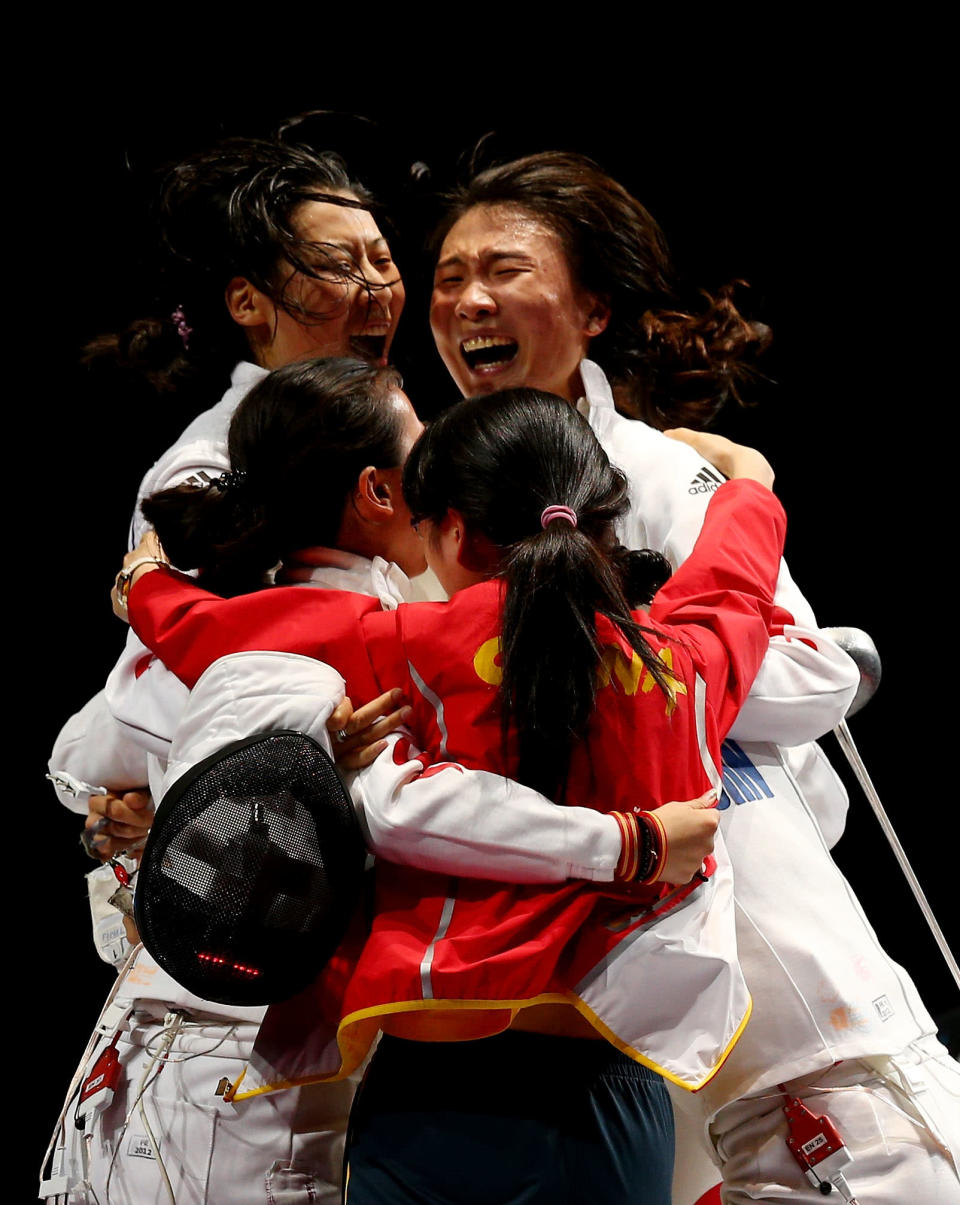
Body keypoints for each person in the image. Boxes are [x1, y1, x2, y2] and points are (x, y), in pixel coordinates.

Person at [425, 151, 960, 1203]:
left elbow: (813, 669)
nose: (468, 300)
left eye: (502, 269)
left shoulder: (664, 471)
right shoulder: (427, 502)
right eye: (447, 277)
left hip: (773, 974)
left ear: (592, 308)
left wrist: (621, 679)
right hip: (599, 1022)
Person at [116, 386, 789, 1204]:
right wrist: (747, 473)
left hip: (427, 1100)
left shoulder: (408, 647)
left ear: (454, 531)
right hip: (607, 1105)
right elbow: (738, 579)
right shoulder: (689, 660)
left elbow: (221, 632)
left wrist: (145, 583)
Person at [42, 322, 414, 1205]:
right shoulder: (359, 646)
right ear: (375, 491)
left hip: (206, 1043)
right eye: (426, 459)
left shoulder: (224, 628)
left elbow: (78, 757)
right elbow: (78, 770)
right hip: (223, 1047)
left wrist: (140, 803)